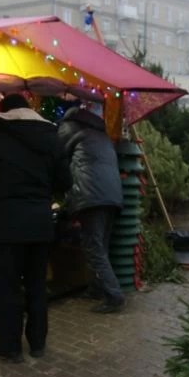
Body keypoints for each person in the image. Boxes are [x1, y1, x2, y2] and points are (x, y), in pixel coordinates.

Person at [0, 94, 69, 363]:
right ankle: (37, 343)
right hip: (39, 222)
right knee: (36, 284)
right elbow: (66, 179)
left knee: (7, 287)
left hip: (4, 222)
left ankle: (10, 346)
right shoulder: (51, 133)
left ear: (4, 109)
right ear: (29, 109)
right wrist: (44, 193)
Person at [57, 101, 125, 313]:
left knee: (93, 247)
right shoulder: (100, 133)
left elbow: (56, 157)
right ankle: (97, 288)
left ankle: (114, 295)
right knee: (100, 245)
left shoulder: (67, 128)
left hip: (91, 196)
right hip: (112, 196)